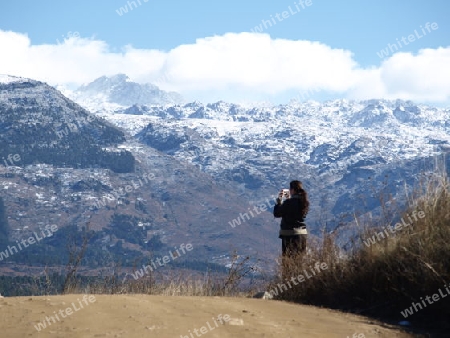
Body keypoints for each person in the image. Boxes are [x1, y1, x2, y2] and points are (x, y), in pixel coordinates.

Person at [273, 180, 309, 257]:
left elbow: (277, 213)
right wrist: (289, 199)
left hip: (290, 236)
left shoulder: (288, 203)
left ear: (292, 190)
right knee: (300, 261)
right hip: (302, 235)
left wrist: (279, 201)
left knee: (288, 262)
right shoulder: (304, 202)